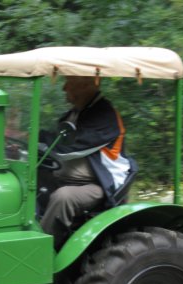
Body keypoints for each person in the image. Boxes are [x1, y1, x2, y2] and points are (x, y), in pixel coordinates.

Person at [39, 76, 134, 245]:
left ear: (85, 85)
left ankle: (41, 250)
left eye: (69, 82)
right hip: (68, 178)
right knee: (27, 182)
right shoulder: (75, 113)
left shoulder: (104, 116)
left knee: (64, 197)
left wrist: (36, 139)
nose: (64, 88)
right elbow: (54, 142)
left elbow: (69, 149)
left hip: (101, 185)